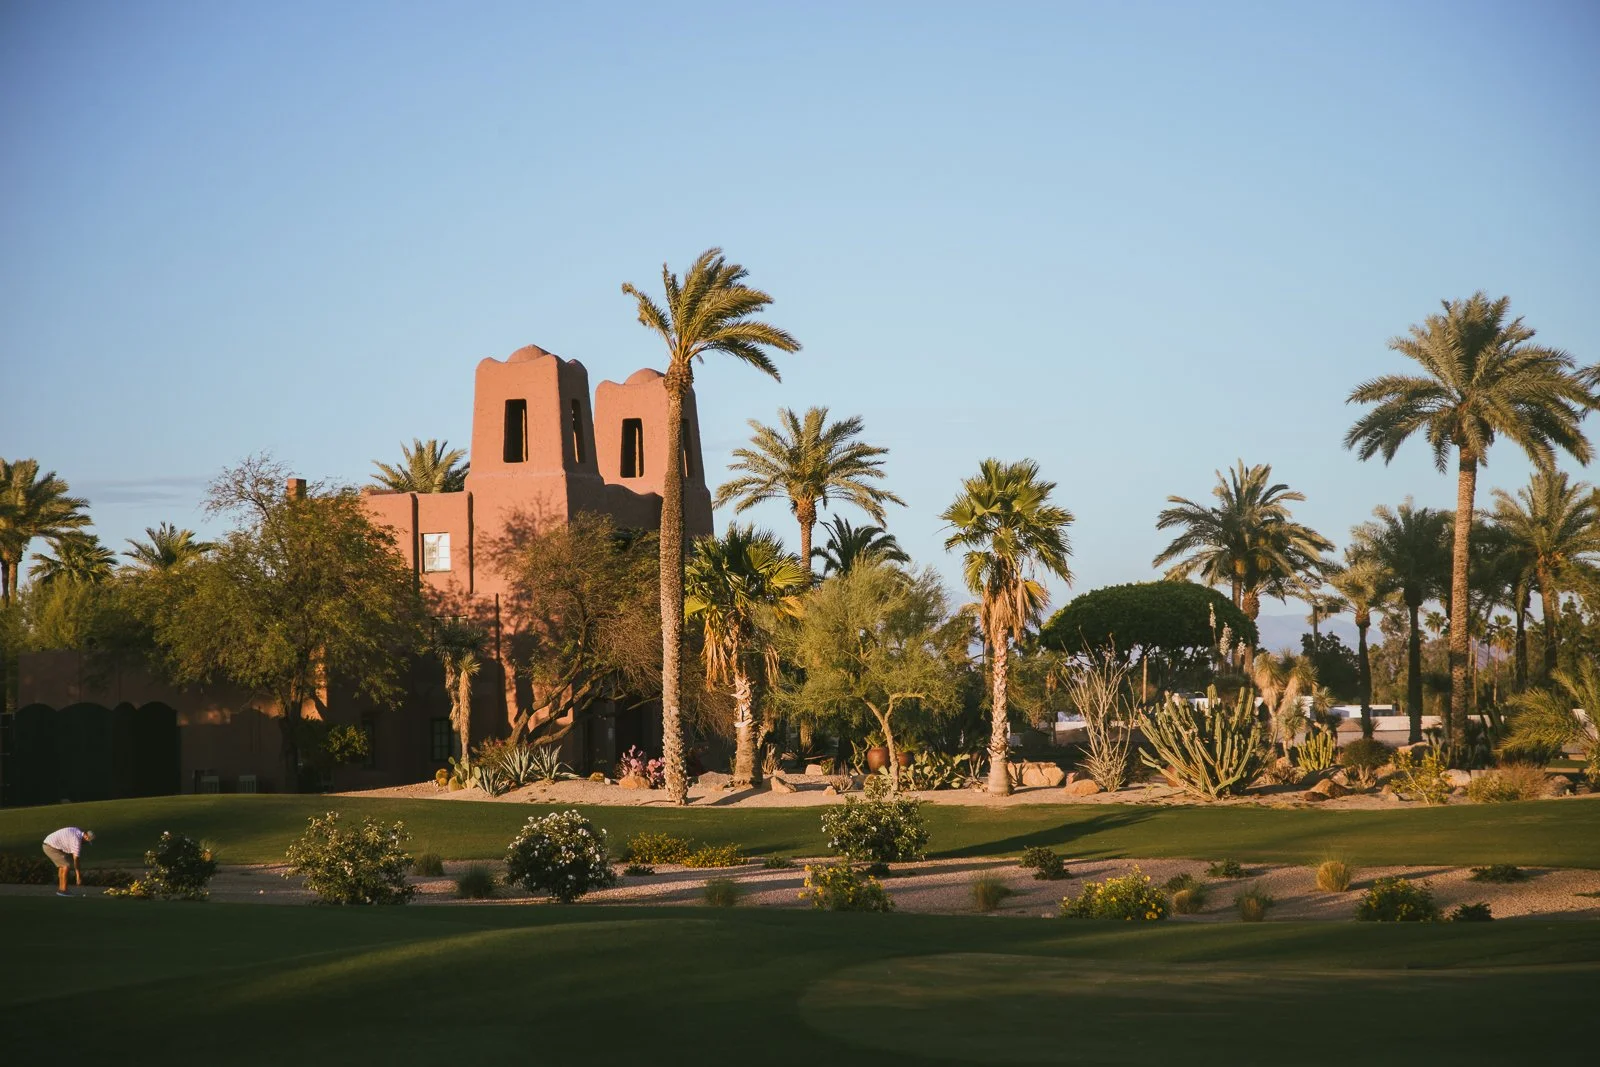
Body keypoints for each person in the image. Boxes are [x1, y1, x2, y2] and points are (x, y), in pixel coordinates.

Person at [42, 826, 94, 897]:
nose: (85, 843)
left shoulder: (77, 830)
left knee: (62, 866)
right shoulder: (77, 842)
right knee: (66, 865)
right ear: (85, 836)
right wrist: (78, 876)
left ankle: (61, 889)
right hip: (50, 846)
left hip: (48, 844)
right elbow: (76, 860)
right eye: (87, 841)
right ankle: (64, 890)